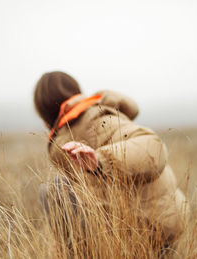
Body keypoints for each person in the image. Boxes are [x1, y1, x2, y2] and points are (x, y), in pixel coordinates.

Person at [35, 71, 188, 254]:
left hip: (151, 228)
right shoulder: (69, 132)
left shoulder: (96, 120)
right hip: (145, 226)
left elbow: (153, 148)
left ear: (43, 111)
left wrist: (101, 162)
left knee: (53, 189)